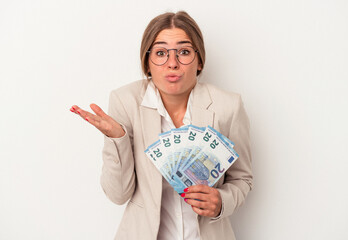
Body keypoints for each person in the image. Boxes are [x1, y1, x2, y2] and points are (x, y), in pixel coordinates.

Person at [70, 11, 252, 240]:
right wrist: (118, 139)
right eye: (161, 53)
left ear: (200, 60)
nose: (172, 64)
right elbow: (118, 195)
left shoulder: (228, 106)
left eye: (184, 52)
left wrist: (221, 202)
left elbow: (242, 179)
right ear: (147, 62)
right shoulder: (125, 101)